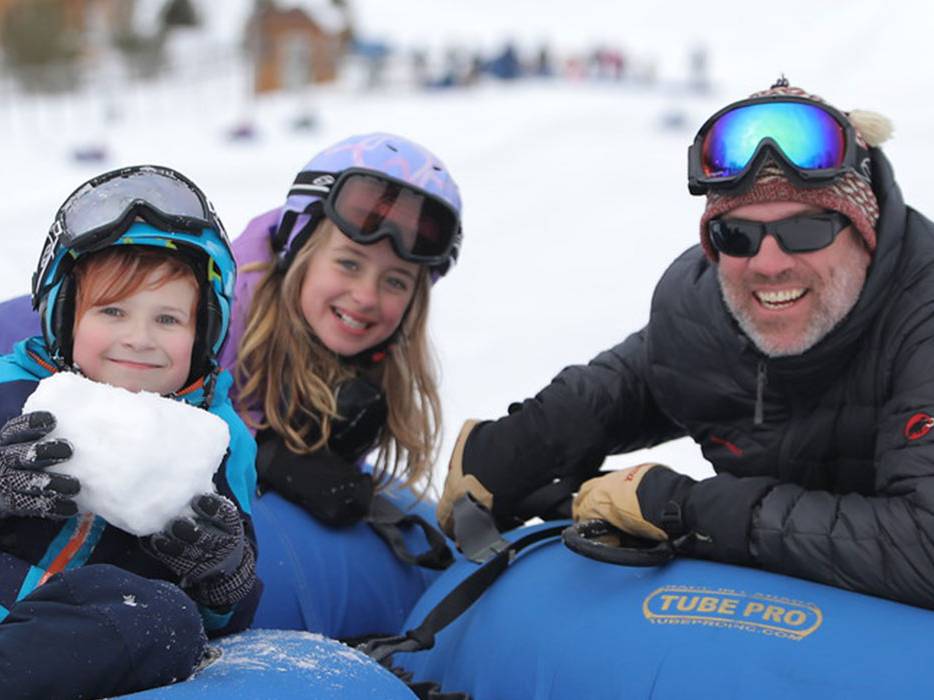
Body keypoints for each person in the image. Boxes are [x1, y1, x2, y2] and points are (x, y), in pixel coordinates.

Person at [435, 78, 934, 611]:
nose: (769, 264)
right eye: (737, 235)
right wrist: (523, 443)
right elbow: (636, 382)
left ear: (867, 230)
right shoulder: (709, 308)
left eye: (807, 230)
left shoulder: (920, 322)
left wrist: (685, 510)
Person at [0, 165, 259, 698]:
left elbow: (227, 611)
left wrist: (222, 570)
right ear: (65, 314)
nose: (139, 339)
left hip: (83, 634)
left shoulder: (219, 440)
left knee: (166, 620)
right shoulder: (10, 390)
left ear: (204, 330)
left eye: (168, 319)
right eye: (113, 311)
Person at [220, 132, 461, 541]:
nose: (366, 296)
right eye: (349, 263)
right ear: (299, 251)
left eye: (396, 282)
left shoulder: (362, 366)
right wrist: (263, 455)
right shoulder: (213, 321)